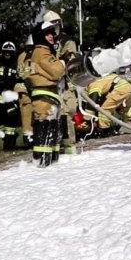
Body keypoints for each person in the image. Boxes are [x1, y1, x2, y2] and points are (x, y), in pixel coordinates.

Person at [27, 21, 66, 167]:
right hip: (44, 98)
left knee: (52, 128)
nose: (52, 36)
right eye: (48, 33)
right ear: (40, 35)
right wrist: (62, 63)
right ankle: (41, 163)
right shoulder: (41, 51)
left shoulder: (46, 51)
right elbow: (56, 71)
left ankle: (50, 161)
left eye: (52, 33)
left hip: (50, 96)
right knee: (44, 128)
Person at [42, 10, 79, 155]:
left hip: (65, 83)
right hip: (49, 84)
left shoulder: (66, 41)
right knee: (51, 114)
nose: (55, 27)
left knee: (67, 111)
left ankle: (69, 145)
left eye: (56, 24)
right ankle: (54, 144)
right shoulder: (42, 43)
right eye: (51, 25)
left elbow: (70, 60)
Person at [15, 35, 35, 148]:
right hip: (26, 90)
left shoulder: (21, 56)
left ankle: (29, 138)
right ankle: (28, 140)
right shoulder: (28, 57)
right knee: (27, 116)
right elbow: (29, 75)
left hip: (25, 90)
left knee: (27, 117)